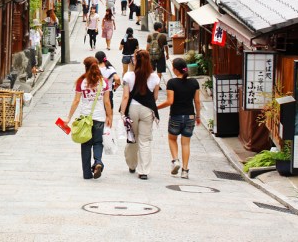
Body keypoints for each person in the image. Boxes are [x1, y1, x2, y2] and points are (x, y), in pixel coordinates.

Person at [64, 57, 113, 179]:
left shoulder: (82, 82)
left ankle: (87, 173)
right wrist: (109, 116)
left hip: (85, 119)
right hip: (99, 118)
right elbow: (107, 102)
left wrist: (68, 118)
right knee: (98, 142)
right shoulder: (104, 82)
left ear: (85, 67)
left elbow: (76, 101)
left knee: (85, 144)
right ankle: (98, 162)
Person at [156, 58, 201, 179]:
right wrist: (198, 116)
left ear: (175, 70)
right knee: (186, 144)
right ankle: (185, 170)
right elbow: (197, 101)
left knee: (172, 139)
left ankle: (175, 160)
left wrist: (156, 108)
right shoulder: (194, 83)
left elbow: (170, 101)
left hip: (176, 115)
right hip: (190, 116)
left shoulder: (172, 83)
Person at [119, 50, 160, 180]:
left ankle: (132, 164)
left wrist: (122, 113)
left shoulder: (128, 76)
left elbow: (126, 96)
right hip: (147, 110)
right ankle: (143, 171)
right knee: (145, 140)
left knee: (132, 137)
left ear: (135, 61)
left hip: (132, 109)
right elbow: (155, 97)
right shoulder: (155, 78)